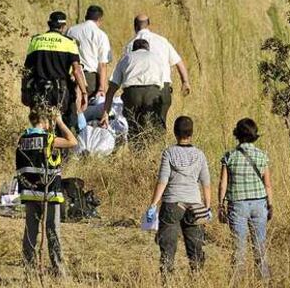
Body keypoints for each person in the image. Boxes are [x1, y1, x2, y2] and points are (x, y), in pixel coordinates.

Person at [146, 116, 211, 284]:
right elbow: (206, 183)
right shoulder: (200, 155)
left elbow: (162, 181)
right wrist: (207, 207)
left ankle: (167, 281)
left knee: (167, 247)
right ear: (191, 133)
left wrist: (153, 205)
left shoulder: (169, 153)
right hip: (195, 205)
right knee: (195, 247)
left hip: (172, 204)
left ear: (175, 132)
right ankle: (196, 280)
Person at [16, 108, 77, 277]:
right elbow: (73, 142)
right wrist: (59, 121)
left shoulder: (22, 139)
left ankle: (28, 271)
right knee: (52, 231)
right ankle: (59, 270)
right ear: (46, 122)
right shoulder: (48, 138)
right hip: (49, 193)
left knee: (30, 232)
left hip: (29, 192)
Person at [218, 118, 273, 283]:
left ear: (237, 135)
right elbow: (268, 184)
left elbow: (223, 184)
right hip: (260, 204)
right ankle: (263, 282)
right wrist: (270, 204)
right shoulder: (262, 156)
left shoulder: (230, 156)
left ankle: (235, 283)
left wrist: (220, 205)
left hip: (237, 205)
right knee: (260, 248)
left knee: (238, 249)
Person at [124, 14, 191, 127]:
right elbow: (178, 62)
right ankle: (158, 143)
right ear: (148, 24)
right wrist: (185, 81)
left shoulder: (130, 45)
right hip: (162, 87)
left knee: (137, 125)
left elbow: (126, 67)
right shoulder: (162, 41)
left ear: (135, 26)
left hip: (136, 89)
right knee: (159, 123)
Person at [22, 11, 88, 126]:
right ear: (63, 27)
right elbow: (76, 70)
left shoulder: (36, 40)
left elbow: (26, 70)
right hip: (61, 92)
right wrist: (84, 93)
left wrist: (24, 91)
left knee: (40, 126)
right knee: (62, 125)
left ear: (49, 24)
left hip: (39, 90)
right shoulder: (69, 43)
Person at [100, 39, 165, 138]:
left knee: (134, 127)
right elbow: (163, 85)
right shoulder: (156, 57)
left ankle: (136, 149)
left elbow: (111, 90)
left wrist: (105, 114)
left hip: (132, 94)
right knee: (153, 126)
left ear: (133, 49)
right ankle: (152, 148)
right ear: (148, 49)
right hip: (153, 93)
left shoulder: (126, 57)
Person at [67, 5, 112, 98]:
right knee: (87, 109)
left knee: (73, 108)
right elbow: (102, 64)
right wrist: (101, 88)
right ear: (99, 19)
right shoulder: (101, 35)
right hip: (90, 78)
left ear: (85, 17)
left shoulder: (71, 31)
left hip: (71, 76)